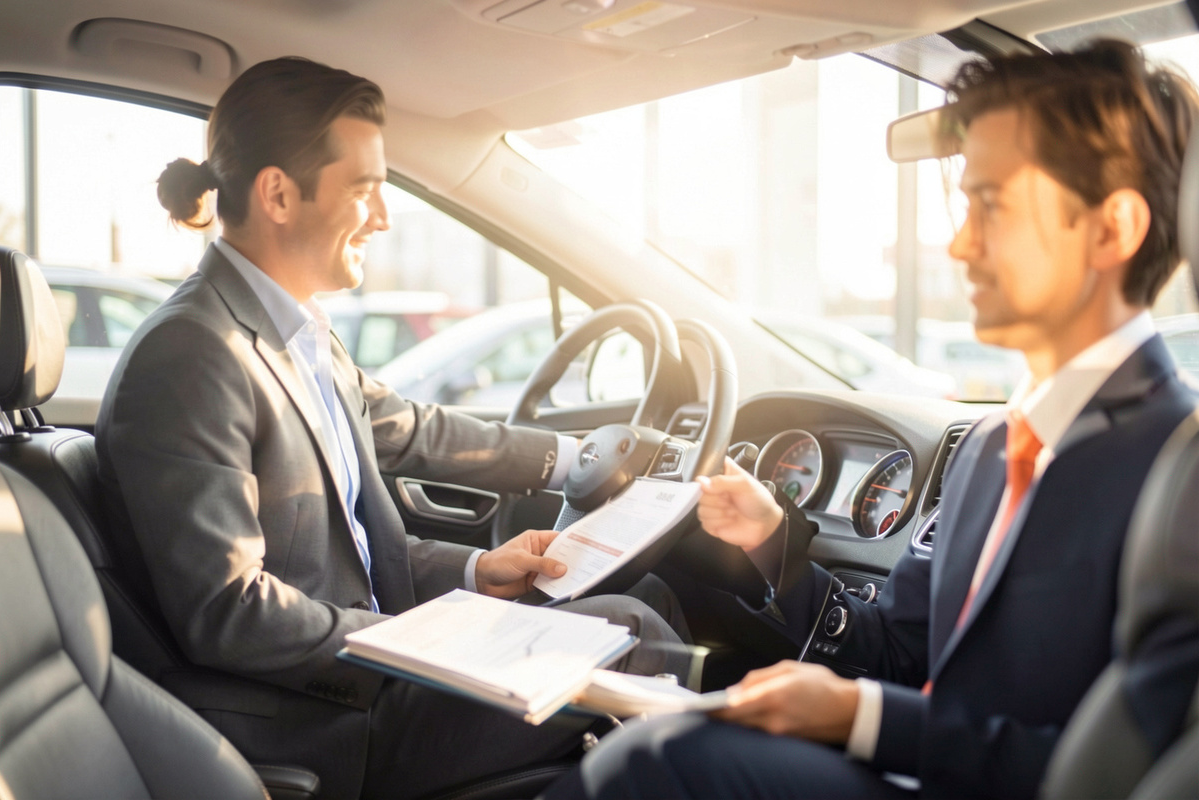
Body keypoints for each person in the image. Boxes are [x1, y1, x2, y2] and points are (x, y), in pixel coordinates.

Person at [543, 39, 1199, 800]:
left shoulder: (1177, 469)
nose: (959, 244)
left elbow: (1140, 772)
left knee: (658, 763)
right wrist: (772, 541)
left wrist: (863, 717)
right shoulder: (990, 449)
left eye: (992, 207)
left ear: (1111, 228)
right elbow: (895, 653)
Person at [95, 57, 688, 800]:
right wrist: (420, 642)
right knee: (634, 633)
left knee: (649, 600)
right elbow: (230, 613)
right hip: (324, 721)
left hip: (380, 669)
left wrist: (478, 571)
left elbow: (380, 490)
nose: (382, 216)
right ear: (278, 193)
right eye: (366, 189)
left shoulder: (296, 333)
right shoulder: (191, 354)